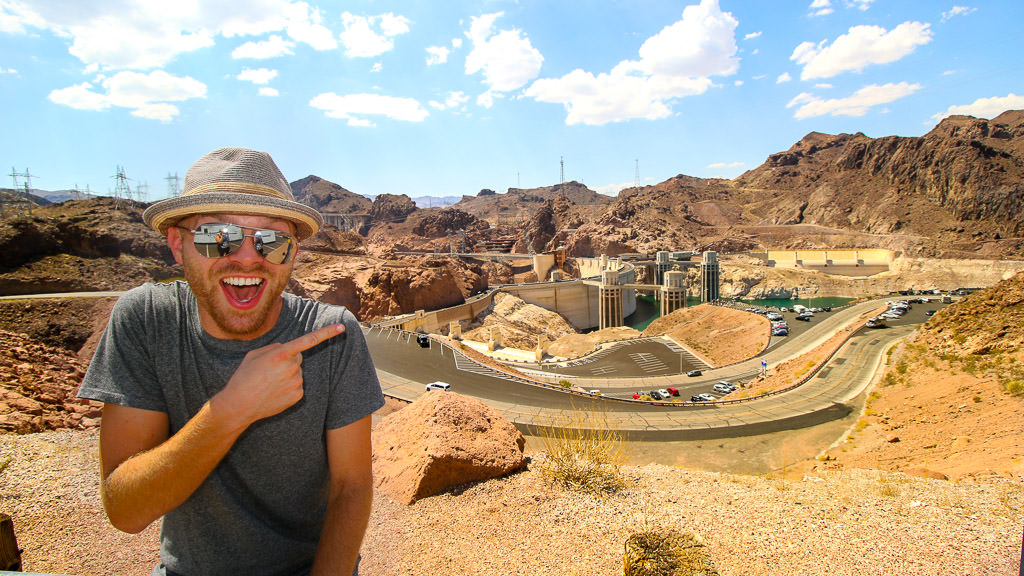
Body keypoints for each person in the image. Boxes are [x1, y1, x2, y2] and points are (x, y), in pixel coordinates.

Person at [77, 147, 384, 576]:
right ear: (178, 244)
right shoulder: (146, 319)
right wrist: (231, 411)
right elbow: (126, 512)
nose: (247, 257)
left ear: (293, 251)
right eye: (217, 236)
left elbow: (351, 487)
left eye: (272, 241)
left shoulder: (332, 334)